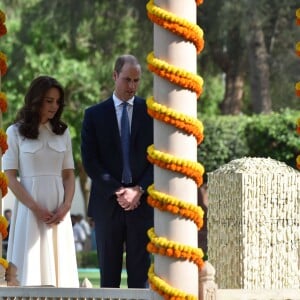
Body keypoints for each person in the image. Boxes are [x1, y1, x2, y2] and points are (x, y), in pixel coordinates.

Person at [81, 54, 153, 288]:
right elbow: (90, 161)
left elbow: (159, 158)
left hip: (141, 205)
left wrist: (139, 190)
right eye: (127, 80)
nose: (132, 86)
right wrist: (120, 190)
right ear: (114, 76)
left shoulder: (151, 113)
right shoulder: (93, 115)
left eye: (136, 81)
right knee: (108, 278)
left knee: (140, 277)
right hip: (107, 204)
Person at [2, 75, 79, 287]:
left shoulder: (62, 133)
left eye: (57, 101)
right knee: (29, 270)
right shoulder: (15, 132)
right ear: (36, 100)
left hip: (58, 213)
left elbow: (68, 175)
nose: (54, 106)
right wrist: (35, 208)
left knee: (60, 273)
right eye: (49, 101)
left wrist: (66, 206)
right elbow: (10, 177)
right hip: (29, 210)